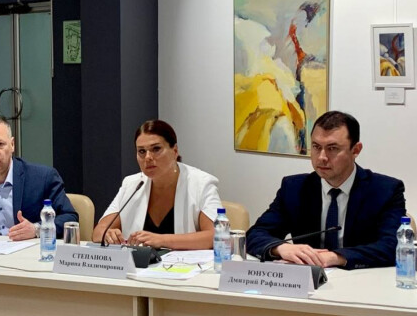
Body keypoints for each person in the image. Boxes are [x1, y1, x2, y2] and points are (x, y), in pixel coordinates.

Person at [246, 111, 405, 270]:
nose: (322, 157)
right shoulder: (294, 188)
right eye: (316, 147)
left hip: (361, 278)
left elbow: (393, 246)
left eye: (332, 148)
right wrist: (281, 248)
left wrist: (335, 257)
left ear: (356, 150)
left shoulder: (385, 191)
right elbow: (255, 234)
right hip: (307, 280)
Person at [93, 120, 222, 249]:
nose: (148, 157)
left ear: (175, 151)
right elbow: (98, 232)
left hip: (184, 262)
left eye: (156, 149)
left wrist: (161, 240)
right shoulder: (132, 184)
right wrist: (107, 235)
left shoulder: (201, 184)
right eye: (142, 151)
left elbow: (217, 236)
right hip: (138, 262)